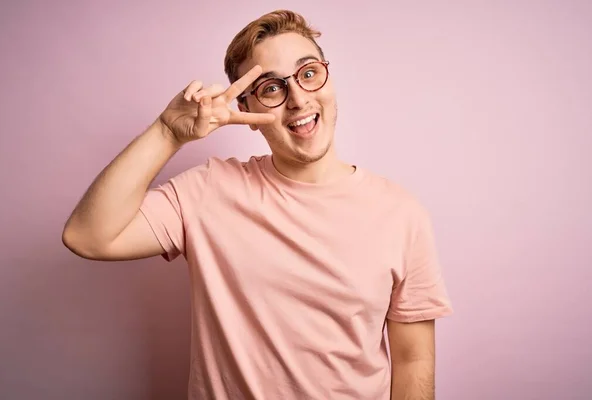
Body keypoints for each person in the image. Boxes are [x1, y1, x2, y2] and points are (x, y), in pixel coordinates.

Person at [62, 9, 453, 400]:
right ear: (247, 113)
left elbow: (413, 359)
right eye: (270, 88)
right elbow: (88, 236)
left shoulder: (401, 213)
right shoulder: (209, 190)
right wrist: (166, 133)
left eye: (309, 73)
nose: (298, 99)